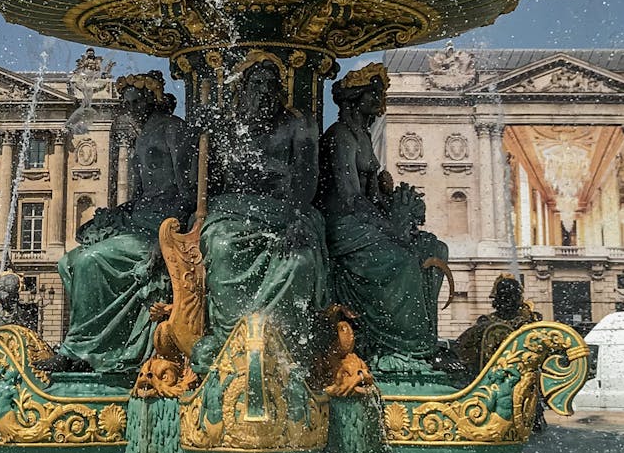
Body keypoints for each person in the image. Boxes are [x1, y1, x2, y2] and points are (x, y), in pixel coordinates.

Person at [49, 72, 192, 377]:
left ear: (153, 100)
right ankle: (95, 349)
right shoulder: (140, 138)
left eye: (137, 101)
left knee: (89, 261)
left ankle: (79, 349)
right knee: (68, 262)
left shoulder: (173, 130)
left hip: (162, 223)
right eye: (126, 104)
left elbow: (191, 192)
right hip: (139, 219)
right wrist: (110, 216)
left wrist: (166, 238)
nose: (132, 109)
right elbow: (137, 195)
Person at [191, 59, 328, 372]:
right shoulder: (225, 127)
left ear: (280, 92)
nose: (264, 92)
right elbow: (204, 183)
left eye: (270, 85)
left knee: (301, 259)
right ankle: (230, 341)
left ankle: (288, 351)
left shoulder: (298, 123)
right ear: (243, 90)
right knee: (223, 248)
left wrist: (296, 218)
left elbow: (308, 176)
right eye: (256, 84)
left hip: (284, 212)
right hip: (232, 211)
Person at [316, 63, 446, 368]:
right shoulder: (341, 136)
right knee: (402, 262)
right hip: (342, 226)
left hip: (364, 222)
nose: (380, 101)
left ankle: (425, 339)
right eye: (373, 94)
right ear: (354, 99)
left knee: (433, 249)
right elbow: (349, 197)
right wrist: (390, 227)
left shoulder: (363, 137)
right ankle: (399, 346)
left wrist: (398, 208)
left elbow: (369, 197)